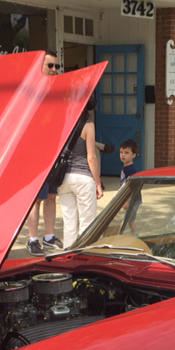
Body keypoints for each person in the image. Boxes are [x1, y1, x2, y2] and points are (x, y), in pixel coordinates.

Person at [26, 50, 65, 255]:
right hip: (35, 154)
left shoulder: (55, 91)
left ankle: (49, 237)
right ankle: (32, 239)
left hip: (53, 153)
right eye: (50, 66)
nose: (53, 70)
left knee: (51, 196)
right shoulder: (32, 91)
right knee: (36, 199)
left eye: (56, 66)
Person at [57, 95, 103, 248]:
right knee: (87, 223)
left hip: (63, 178)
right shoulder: (88, 125)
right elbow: (91, 158)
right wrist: (98, 183)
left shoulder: (62, 122)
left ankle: (68, 256)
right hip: (83, 178)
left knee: (69, 222)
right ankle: (83, 257)